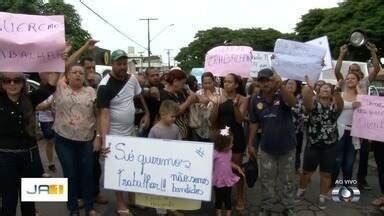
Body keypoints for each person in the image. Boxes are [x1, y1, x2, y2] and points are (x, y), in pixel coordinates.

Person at [97, 49, 150, 216]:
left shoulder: (132, 79)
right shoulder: (104, 86)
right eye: (119, 64)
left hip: (131, 132)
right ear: (112, 64)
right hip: (114, 134)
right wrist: (104, 140)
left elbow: (139, 95)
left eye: (124, 64)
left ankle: (133, 198)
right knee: (118, 170)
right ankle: (121, 203)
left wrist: (147, 113)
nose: (122, 67)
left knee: (133, 167)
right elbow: (103, 115)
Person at [247, 68, 297, 216]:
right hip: (267, 147)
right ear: (258, 82)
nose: (265, 83)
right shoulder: (255, 99)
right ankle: (267, 206)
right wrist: (250, 144)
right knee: (266, 180)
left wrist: (281, 85)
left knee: (288, 180)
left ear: (273, 80)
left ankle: (288, 206)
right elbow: (254, 123)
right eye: (262, 81)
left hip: (287, 146)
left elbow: (292, 102)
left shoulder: (281, 94)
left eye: (268, 80)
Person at [53, 62, 99, 216]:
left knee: (87, 174)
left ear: (84, 76)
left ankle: (89, 207)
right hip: (63, 140)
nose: (78, 74)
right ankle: (73, 208)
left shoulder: (91, 91)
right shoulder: (60, 87)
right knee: (70, 174)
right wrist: (65, 55)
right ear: (67, 75)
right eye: (74, 72)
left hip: (86, 140)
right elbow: (59, 66)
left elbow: (98, 114)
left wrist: (98, 137)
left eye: (80, 72)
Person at [334, 42, 381, 191]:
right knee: (340, 159)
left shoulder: (365, 83)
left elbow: (377, 69)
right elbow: (337, 71)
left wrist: (373, 52)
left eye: (356, 70)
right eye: (351, 71)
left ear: (360, 73)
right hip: (344, 128)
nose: (353, 73)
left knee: (361, 156)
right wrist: (341, 54)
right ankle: (332, 184)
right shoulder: (344, 84)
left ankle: (360, 180)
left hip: (363, 128)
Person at [0, 72, 46, 216]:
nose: (12, 84)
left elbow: (52, 83)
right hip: (5, 159)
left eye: (17, 80)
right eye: (7, 81)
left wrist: (62, 58)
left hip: (29, 157)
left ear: (23, 83)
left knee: (29, 200)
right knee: (8, 200)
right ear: (2, 84)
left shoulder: (31, 99)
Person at [296, 82, 343, 209]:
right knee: (306, 172)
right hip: (313, 144)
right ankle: (301, 190)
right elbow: (306, 100)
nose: (326, 88)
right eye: (323, 87)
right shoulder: (313, 104)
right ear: (319, 91)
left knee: (326, 173)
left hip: (330, 145)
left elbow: (341, 106)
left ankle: (322, 196)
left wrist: (338, 90)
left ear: (331, 91)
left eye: (328, 87)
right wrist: (309, 87)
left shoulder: (334, 106)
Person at [210, 73, 247, 211]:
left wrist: (235, 106)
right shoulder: (219, 99)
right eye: (225, 81)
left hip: (236, 136)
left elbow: (239, 120)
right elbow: (212, 120)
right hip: (223, 136)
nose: (226, 84)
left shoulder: (243, 99)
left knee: (237, 168)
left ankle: (240, 197)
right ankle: (220, 197)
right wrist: (216, 105)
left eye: (230, 82)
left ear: (236, 84)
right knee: (220, 167)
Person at [148, 100, 182, 215]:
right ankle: (161, 210)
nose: (174, 119)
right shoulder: (154, 130)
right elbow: (149, 148)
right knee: (160, 186)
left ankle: (171, 207)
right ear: (163, 115)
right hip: (159, 165)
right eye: (172, 116)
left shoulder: (176, 128)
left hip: (172, 163)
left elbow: (180, 143)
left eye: (175, 116)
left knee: (171, 185)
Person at [332, 72, 361, 187]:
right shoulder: (340, 94)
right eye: (348, 78)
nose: (350, 80)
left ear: (358, 81)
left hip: (354, 133)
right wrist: (336, 87)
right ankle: (331, 187)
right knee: (337, 160)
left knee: (349, 163)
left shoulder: (361, 95)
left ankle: (346, 187)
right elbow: (334, 106)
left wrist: (359, 90)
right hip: (340, 131)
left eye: (353, 78)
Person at [212, 126, 244, 216]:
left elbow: (228, 162)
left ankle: (228, 212)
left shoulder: (229, 152)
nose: (233, 144)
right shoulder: (215, 153)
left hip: (227, 179)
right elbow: (207, 161)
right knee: (218, 197)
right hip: (218, 180)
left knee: (227, 197)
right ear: (223, 144)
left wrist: (237, 167)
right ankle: (218, 211)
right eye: (231, 143)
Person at [159, 68, 197, 140]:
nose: (184, 85)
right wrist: (188, 101)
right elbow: (173, 113)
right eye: (183, 83)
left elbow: (196, 98)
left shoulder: (180, 92)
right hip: (174, 133)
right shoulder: (164, 94)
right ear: (175, 81)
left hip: (186, 130)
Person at [192, 72, 222, 142]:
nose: (207, 85)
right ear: (202, 83)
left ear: (213, 82)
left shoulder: (221, 92)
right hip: (200, 131)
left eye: (210, 83)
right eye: (205, 83)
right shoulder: (198, 93)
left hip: (217, 129)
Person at [285, 79, 305, 172]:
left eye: (293, 84)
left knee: (296, 151)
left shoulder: (301, 97)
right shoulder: (280, 96)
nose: (290, 86)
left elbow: (301, 111)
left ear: (297, 87)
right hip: (283, 131)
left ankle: (296, 167)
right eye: (289, 83)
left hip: (297, 130)